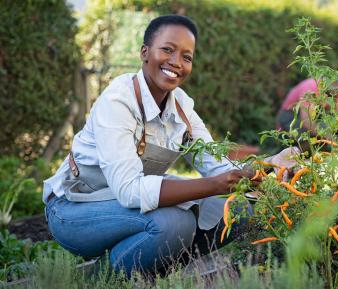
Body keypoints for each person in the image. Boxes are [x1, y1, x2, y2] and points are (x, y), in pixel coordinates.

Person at [43, 15, 266, 277]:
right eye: (168, 50)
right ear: (145, 53)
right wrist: (216, 185)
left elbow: (216, 164)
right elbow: (128, 190)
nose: (176, 62)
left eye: (187, 57)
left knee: (239, 208)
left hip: (126, 207)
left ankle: (148, 273)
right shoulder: (118, 101)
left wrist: (267, 169)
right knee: (174, 223)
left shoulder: (181, 106)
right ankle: (100, 280)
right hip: (74, 209)